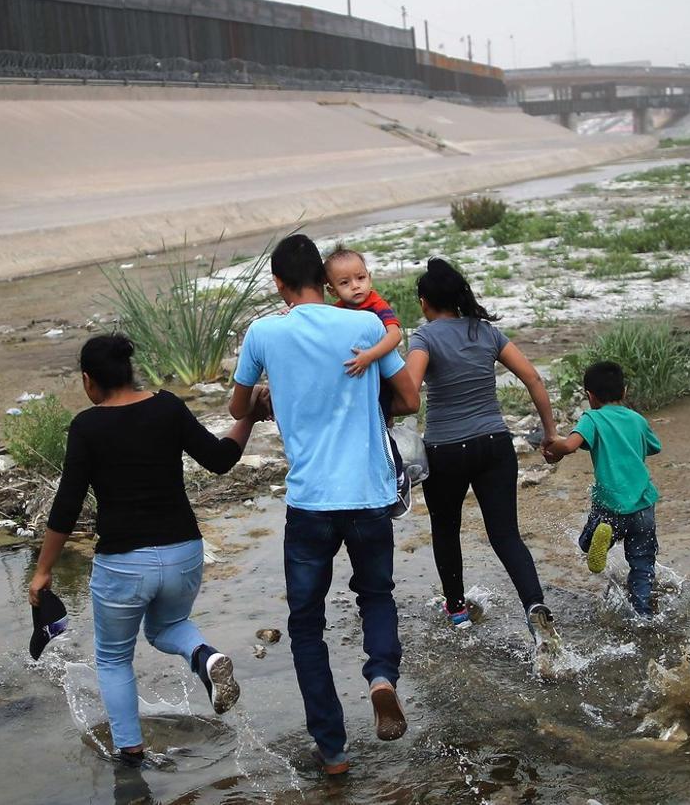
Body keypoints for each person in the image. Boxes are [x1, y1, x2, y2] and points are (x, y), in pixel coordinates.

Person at [28, 333, 270, 765]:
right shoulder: (167, 406)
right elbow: (218, 459)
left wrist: (44, 570)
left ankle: (131, 755)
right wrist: (248, 417)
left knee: (114, 658)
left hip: (123, 564)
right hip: (184, 552)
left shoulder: (87, 426)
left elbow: (66, 505)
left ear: (89, 380)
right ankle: (205, 656)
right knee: (166, 628)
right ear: (129, 369)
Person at [228, 234, 419, 776]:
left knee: (307, 623)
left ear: (279, 285)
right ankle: (381, 678)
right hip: (368, 495)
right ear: (324, 276)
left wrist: (272, 395)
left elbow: (239, 404)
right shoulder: (363, 326)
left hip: (310, 502)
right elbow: (407, 399)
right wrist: (362, 401)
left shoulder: (264, 332)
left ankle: (333, 752)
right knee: (376, 596)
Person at [403, 257, 561, 655]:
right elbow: (533, 378)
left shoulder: (424, 338)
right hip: (494, 444)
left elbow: (408, 392)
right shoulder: (487, 332)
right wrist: (551, 433)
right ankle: (534, 605)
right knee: (506, 535)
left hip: (445, 451)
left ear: (424, 301)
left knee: (446, 529)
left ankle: (456, 611)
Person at [543, 361, 662, 617]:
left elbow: (570, 445)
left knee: (587, 543)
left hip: (611, 504)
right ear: (625, 391)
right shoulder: (637, 419)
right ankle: (643, 616)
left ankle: (601, 537)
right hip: (643, 504)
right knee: (642, 563)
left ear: (590, 396)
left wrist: (552, 445)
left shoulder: (593, 419)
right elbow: (654, 446)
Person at [323, 245, 411, 515]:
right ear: (331, 290)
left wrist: (369, 356)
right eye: (345, 282)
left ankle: (398, 476)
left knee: (380, 430)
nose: (356, 287)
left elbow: (395, 335)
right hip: (358, 384)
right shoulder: (337, 311)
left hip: (381, 379)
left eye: (361, 278)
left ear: (369, 277)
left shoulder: (376, 304)